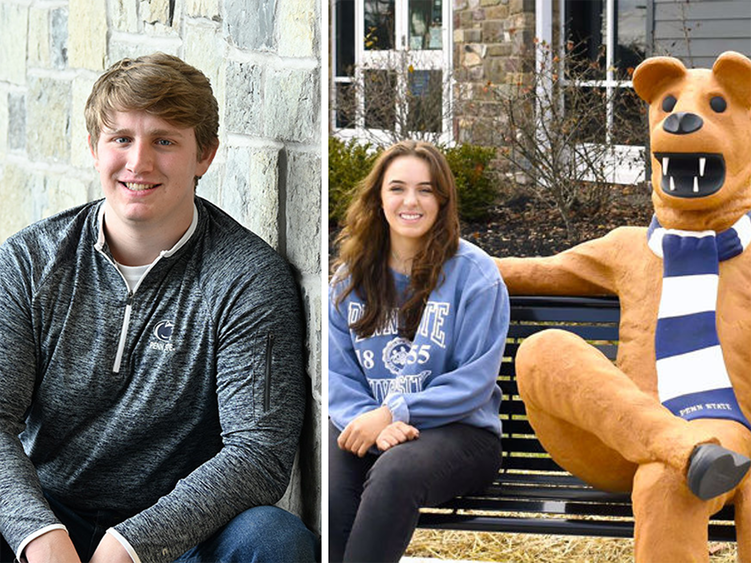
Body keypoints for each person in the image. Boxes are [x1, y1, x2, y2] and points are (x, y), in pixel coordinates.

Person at [0, 53, 316, 563]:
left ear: (205, 155)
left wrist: (132, 545)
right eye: (121, 138)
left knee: (274, 539)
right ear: (93, 147)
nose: (139, 162)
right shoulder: (28, 262)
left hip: (181, 535)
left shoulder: (245, 277)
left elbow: (258, 452)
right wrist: (36, 533)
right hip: (51, 515)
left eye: (164, 140)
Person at [328, 140, 509, 563]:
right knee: (334, 482)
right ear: (378, 198)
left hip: (462, 433)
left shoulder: (475, 275)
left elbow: (473, 381)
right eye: (397, 188)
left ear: (442, 201)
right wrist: (368, 421)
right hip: (370, 421)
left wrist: (394, 413)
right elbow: (338, 374)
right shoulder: (350, 278)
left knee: (394, 472)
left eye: (426, 190)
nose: (411, 201)